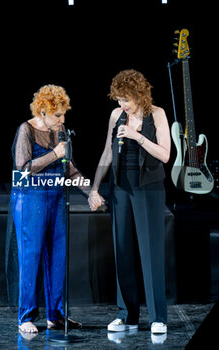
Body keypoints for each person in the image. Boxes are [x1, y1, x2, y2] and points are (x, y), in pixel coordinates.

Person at [88, 69, 171, 334]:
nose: (122, 105)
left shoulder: (156, 113)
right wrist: (95, 187)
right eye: (118, 100)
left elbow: (165, 155)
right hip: (121, 187)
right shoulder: (116, 116)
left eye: (126, 99)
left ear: (139, 94)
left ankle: (158, 317)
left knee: (150, 252)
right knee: (122, 249)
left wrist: (138, 136)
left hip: (149, 187)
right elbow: (107, 152)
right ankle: (127, 314)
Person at [11, 84, 89, 333]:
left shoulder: (61, 130)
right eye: (58, 115)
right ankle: (25, 317)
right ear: (43, 112)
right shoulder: (26, 130)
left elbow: (69, 167)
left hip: (55, 197)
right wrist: (55, 154)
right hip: (30, 199)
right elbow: (23, 168)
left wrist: (90, 191)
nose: (62, 119)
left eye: (64, 114)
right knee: (30, 257)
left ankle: (55, 315)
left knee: (57, 257)